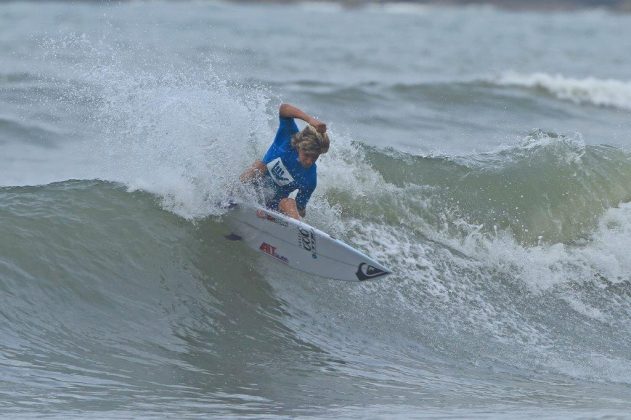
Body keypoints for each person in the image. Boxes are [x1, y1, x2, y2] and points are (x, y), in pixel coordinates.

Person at [240, 103, 329, 220]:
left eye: (314, 157)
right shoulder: (287, 137)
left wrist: (295, 211)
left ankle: (298, 233)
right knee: (259, 165)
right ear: (299, 146)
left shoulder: (310, 179)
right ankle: (230, 195)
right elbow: (284, 109)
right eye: (307, 155)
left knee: (289, 202)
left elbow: (300, 209)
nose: (309, 161)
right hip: (250, 189)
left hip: (273, 209)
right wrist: (310, 120)